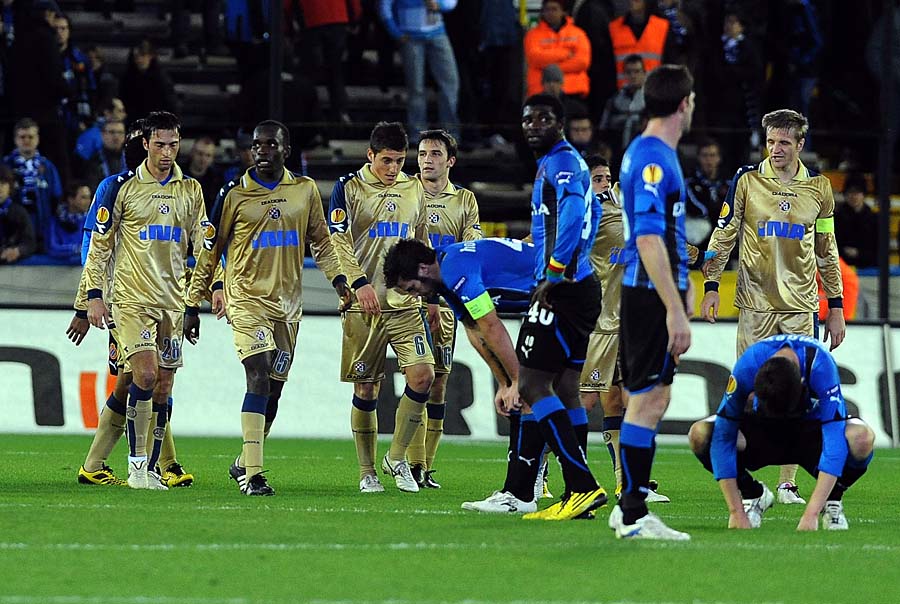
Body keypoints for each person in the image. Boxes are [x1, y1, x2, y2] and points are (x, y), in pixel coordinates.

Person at [184, 120, 351, 496]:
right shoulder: (234, 193)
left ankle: (244, 461)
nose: (262, 151)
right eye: (257, 145)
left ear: (286, 150)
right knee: (258, 375)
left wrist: (340, 280)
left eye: (270, 145)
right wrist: (193, 303)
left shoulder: (304, 190)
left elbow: (322, 242)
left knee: (273, 391)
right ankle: (254, 475)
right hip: (247, 300)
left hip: (287, 307)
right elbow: (210, 251)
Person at [700, 109, 845, 505]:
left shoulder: (819, 189)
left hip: (800, 306)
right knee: (746, 390)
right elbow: (725, 233)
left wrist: (835, 305)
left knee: (799, 392)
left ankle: (787, 483)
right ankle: (746, 486)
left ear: (800, 144)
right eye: (770, 142)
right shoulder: (747, 181)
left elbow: (826, 249)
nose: (776, 149)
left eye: (784, 142)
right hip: (756, 304)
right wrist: (711, 284)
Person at [83, 111, 208, 490]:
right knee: (146, 375)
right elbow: (97, 246)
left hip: (172, 301)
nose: (167, 152)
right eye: (159, 144)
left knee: (158, 385)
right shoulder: (119, 187)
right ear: (145, 145)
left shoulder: (191, 190)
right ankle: (139, 466)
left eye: (173, 144)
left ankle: (148, 467)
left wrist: (201, 295)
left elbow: (204, 246)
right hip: (129, 300)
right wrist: (90, 298)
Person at [607, 64, 695, 541]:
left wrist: (682, 288)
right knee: (645, 401)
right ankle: (633, 513)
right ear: (683, 104)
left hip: (652, 291)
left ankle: (632, 507)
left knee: (654, 398)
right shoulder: (652, 159)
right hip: (648, 294)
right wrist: (674, 307)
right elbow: (646, 238)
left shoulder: (651, 152)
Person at [384, 236, 536, 510]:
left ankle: (546, 488)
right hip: (544, 308)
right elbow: (474, 329)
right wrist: (504, 383)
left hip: (563, 299)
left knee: (541, 398)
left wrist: (517, 381)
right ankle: (519, 491)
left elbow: (490, 325)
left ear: (422, 269)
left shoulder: (456, 269)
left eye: (412, 288)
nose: (416, 296)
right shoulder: (445, 274)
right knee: (527, 403)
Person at [511, 93, 607, 521]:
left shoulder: (562, 162)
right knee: (567, 388)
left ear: (560, 123)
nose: (534, 125)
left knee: (532, 385)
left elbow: (570, 215)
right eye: (528, 119)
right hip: (580, 284)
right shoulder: (563, 162)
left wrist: (554, 270)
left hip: (562, 287)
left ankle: (581, 485)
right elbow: (592, 211)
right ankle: (576, 497)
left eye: (543, 118)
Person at [327, 121, 434, 494]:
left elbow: (422, 243)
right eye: (386, 160)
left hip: (405, 304)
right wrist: (358, 284)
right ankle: (367, 471)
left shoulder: (413, 188)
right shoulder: (348, 188)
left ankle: (396, 457)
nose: (393, 168)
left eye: (399, 161)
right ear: (370, 155)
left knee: (423, 376)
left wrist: (430, 293)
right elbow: (338, 241)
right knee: (367, 388)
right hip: (364, 306)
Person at [688, 334, 875, 531]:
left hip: (809, 434)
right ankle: (753, 494)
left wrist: (811, 513)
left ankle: (832, 499)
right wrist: (736, 512)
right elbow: (723, 436)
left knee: (861, 438)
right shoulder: (747, 367)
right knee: (701, 434)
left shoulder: (821, 365)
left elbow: (834, 440)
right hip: (763, 432)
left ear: (802, 382)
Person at [578, 154, 671, 504]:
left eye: (606, 177)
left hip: (629, 324)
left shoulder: (622, 210)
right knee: (585, 401)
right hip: (597, 324)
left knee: (624, 400)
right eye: (596, 179)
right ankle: (538, 468)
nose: (604, 184)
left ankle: (628, 482)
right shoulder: (588, 216)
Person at [406, 128, 481, 488]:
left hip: (447, 303)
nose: (426, 160)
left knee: (438, 383)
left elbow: (472, 245)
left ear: (450, 161)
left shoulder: (464, 200)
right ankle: (409, 464)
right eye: (422, 154)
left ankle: (424, 466)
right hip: (409, 300)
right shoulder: (405, 192)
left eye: (435, 154)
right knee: (417, 379)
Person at [378, 0, 461, 142]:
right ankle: (417, 134)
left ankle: (450, 132)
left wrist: (440, 5)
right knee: (416, 88)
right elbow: (384, 6)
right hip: (411, 36)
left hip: (436, 32)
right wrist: (395, 32)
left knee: (450, 83)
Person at [3, 117, 63, 244]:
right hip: (12, 232)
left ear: (37, 139)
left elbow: (56, 197)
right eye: (22, 137)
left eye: (30, 137)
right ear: (15, 140)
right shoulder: (5, 166)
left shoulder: (47, 167)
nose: (26, 140)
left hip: (43, 229)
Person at [523, 0, 591, 99]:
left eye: (554, 9)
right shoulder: (533, 35)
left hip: (573, 91)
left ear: (563, 12)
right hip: (540, 92)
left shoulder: (578, 34)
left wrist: (550, 69)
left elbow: (582, 62)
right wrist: (565, 54)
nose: (550, 13)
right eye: (547, 10)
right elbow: (534, 58)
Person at [608, 0, 670, 91]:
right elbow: (608, 67)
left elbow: (670, 65)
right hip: (623, 94)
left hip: (653, 93)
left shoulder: (662, 26)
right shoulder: (613, 28)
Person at [684, 137, 730, 251]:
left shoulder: (727, 181)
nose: (709, 160)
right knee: (702, 227)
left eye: (712, 155)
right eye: (705, 156)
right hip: (700, 222)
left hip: (723, 225)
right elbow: (697, 208)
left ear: (719, 158)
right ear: (698, 158)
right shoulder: (690, 180)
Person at [55, 13, 95, 137]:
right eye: (55, 29)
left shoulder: (79, 59)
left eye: (63, 28)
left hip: (74, 117)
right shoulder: (42, 57)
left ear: (69, 31)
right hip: (49, 115)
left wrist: (85, 118)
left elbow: (89, 88)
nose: (59, 32)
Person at [119, 39, 178, 121]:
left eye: (143, 55)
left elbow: (170, 105)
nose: (139, 60)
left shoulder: (161, 79)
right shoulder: (127, 77)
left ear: (151, 56)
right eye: (136, 56)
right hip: (133, 121)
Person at [599, 53, 645, 156]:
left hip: (641, 152)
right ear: (624, 74)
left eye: (637, 71)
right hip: (617, 153)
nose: (633, 76)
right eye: (629, 72)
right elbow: (603, 128)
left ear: (644, 73)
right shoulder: (614, 101)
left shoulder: (650, 101)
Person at [835, 174, 877, 268]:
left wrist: (860, 253)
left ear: (863, 194)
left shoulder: (873, 218)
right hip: (841, 267)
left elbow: (877, 247)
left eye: (857, 192)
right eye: (850, 192)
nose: (853, 196)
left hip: (868, 267)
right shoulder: (837, 217)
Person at [46, 181, 91, 263]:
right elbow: (52, 248)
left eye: (89, 197)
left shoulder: (91, 222)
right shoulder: (55, 221)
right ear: (71, 199)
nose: (88, 201)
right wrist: (76, 249)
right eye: (83, 197)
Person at [0, 165, 36, 265]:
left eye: (3, 183)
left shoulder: (19, 212)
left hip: (14, 269)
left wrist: (18, 251)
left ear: (10, 187)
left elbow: (30, 242)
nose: (0, 188)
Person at [75, 96, 127, 162]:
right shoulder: (90, 136)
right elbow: (82, 163)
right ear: (107, 112)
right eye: (120, 111)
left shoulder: (123, 133)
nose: (124, 114)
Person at [82, 118, 126, 189]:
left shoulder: (133, 159)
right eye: (112, 132)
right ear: (103, 135)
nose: (116, 136)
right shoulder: (93, 160)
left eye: (120, 132)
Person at [183, 136, 222, 213]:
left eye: (208, 155)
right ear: (192, 153)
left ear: (212, 158)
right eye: (200, 154)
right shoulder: (177, 174)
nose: (203, 159)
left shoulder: (217, 180)